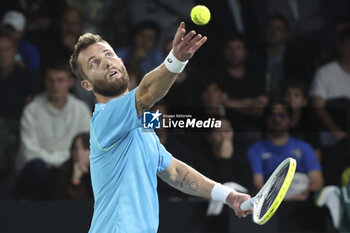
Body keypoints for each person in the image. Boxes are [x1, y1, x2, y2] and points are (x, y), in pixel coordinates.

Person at [69, 22, 252, 232]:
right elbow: (147, 92)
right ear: (87, 85)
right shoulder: (105, 119)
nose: (107, 63)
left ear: (120, 60)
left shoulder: (142, 126)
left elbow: (174, 172)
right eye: (94, 63)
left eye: (109, 54)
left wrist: (228, 196)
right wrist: (176, 60)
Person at [16, 63, 91, 199]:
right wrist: (63, 160)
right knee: (36, 166)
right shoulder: (31, 110)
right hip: (41, 170)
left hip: (70, 170)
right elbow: (29, 153)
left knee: (86, 169)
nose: (55, 86)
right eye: (51, 80)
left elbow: (86, 150)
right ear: (45, 82)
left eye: (60, 80)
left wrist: (65, 163)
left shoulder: (81, 110)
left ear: (70, 82)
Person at [247, 101, 324, 200]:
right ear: (266, 119)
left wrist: (302, 198)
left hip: (301, 201)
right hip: (270, 200)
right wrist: (279, 201)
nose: (277, 119)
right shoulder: (255, 150)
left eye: (282, 115)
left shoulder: (305, 148)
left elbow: (317, 181)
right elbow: (258, 183)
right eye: (272, 115)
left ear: (290, 120)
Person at [56, 132, 93, 200]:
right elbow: (63, 201)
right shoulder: (65, 168)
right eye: (75, 148)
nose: (78, 152)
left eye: (85, 148)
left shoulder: (101, 170)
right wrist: (76, 179)